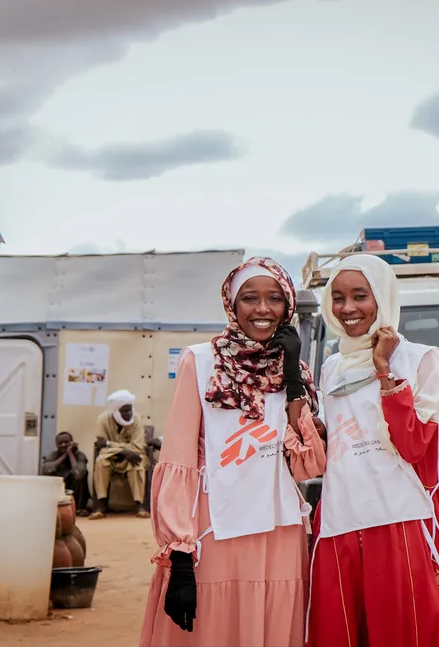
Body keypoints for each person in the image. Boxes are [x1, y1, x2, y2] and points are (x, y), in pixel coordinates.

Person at [140, 256, 326, 647]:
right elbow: (179, 457)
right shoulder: (201, 361)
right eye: (250, 298)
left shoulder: (297, 371)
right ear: (231, 304)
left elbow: (307, 462)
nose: (262, 309)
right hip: (217, 528)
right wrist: (178, 552)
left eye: (274, 298)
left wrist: (292, 373)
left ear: (288, 305)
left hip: (279, 529)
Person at [308, 254, 439, 647]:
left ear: (382, 298)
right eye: (339, 298)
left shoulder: (419, 359)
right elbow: (340, 447)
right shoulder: (332, 368)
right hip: (340, 522)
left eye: (360, 295)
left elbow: (414, 446)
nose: (347, 308)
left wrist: (383, 369)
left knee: (403, 633)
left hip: (400, 520)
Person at [90, 389, 150, 520]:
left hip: (132, 456)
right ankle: (101, 505)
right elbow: (100, 446)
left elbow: (137, 446)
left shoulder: (137, 419)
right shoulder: (103, 420)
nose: (128, 414)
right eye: (124, 411)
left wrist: (109, 444)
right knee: (101, 461)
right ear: (116, 411)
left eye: (129, 410)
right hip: (110, 457)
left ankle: (139, 505)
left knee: (137, 462)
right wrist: (123, 451)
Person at [41, 431, 91, 517]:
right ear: (56, 445)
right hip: (60, 489)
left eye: (66, 442)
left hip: (75, 490)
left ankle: (79, 508)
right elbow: (46, 470)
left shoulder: (79, 455)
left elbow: (79, 474)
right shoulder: (53, 455)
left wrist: (70, 454)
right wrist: (65, 455)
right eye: (60, 443)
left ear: (71, 442)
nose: (63, 445)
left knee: (81, 474)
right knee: (49, 475)